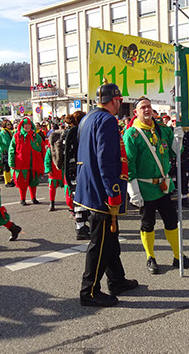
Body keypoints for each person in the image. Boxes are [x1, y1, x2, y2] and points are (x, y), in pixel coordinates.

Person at [74, 82, 138, 307]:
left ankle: (117, 280)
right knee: (99, 243)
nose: (120, 104)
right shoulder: (108, 120)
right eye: (119, 100)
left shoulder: (88, 118)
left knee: (110, 238)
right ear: (114, 100)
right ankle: (89, 291)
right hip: (102, 190)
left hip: (89, 186)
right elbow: (106, 159)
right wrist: (113, 191)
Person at [124, 96, 189, 275]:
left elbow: (175, 152)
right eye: (143, 107)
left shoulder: (162, 129)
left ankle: (178, 256)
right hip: (145, 188)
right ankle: (150, 257)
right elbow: (129, 164)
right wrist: (133, 191)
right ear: (135, 112)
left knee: (172, 221)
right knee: (148, 224)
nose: (147, 110)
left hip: (164, 186)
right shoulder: (132, 134)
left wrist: (178, 138)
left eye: (149, 106)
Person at [63, 111, 90, 240]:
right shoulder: (75, 131)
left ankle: (81, 226)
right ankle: (80, 227)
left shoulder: (70, 131)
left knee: (78, 198)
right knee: (79, 199)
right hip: (76, 168)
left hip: (72, 168)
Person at [8, 117, 45, 206]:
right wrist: (11, 163)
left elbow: (43, 149)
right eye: (25, 125)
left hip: (34, 163)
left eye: (29, 124)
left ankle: (33, 198)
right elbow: (11, 150)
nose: (27, 126)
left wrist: (44, 161)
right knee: (22, 183)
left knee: (33, 182)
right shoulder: (17, 136)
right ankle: (22, 199)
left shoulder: (36, 136)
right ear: (22, 126)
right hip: (21, 164)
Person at [44, 130, 65, 212]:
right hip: (53, 172)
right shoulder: (50, 150)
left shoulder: (64, 149)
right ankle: (52, 203)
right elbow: (47, 160)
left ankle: (71, 204)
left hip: (63, 172)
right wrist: (48, 170)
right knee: (52, 188)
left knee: (68, 189)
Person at [0, 120, 15, 188]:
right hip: (5, 151)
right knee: (6, 166)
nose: (9, 125)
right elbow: (6, 142)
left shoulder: (8, 131)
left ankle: (10, 179)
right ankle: (7, 181)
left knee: (9, 165)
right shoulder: (4, 132)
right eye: (7, 124)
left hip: (8, 151)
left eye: (10, 124)